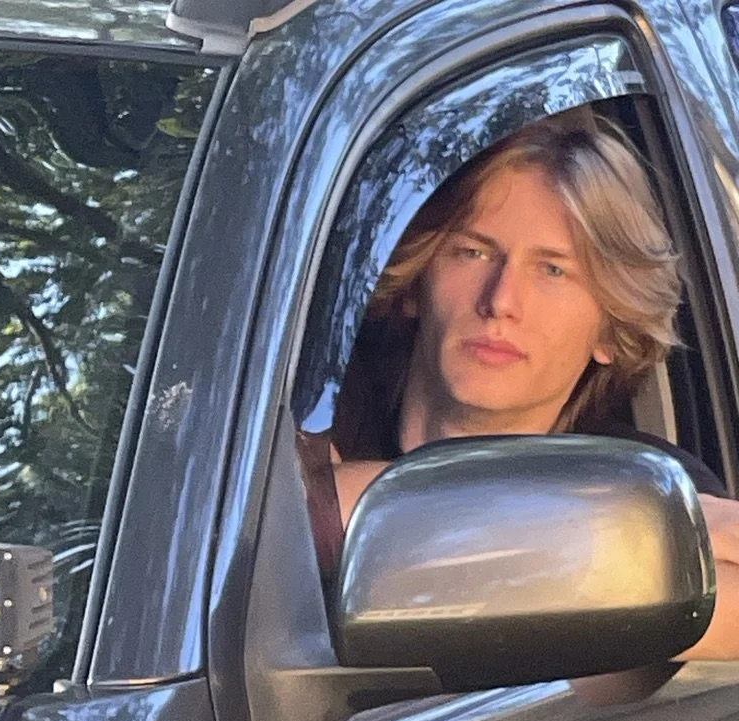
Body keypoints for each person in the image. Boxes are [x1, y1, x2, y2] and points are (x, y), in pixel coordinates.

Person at [299, 109, 739, 662]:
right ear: (416, 281)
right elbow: (281, 519)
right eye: (473, 252)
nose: (501, 301)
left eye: (553, 270)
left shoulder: (653, 480)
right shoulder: (310, 410)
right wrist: (599, 528)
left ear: (611, 324)